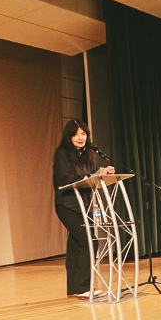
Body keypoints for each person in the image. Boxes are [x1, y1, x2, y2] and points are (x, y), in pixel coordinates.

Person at [53, 119, 115, 299]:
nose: (80, 138)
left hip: (85, 206)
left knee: (75, 246)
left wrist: (101, 174)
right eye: (76, 134)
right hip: (68, 205)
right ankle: (82, 287)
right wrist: (91, 175)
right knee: (90, 242)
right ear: (69, 136)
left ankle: (73, 289)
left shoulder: (88, 155)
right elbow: (65, 179)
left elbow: (91, 180)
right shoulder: (62, 153)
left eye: (83, 134)